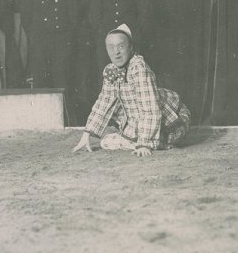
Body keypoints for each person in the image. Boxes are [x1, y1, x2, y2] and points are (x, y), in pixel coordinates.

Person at [73, 24, 190, 156]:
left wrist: (144, 143)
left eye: (121, 46)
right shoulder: (110, 69)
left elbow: (150, 108)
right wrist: (86, 135)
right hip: (138, 117)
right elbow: (103, 102)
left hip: (171, 122)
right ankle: (135, 137)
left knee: (107, 142)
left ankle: (157, 141)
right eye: (111, 47)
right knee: (107, 139)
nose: (116, 52)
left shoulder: (139, 67)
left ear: (131, 48)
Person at [20, 0, 84, 120]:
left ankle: (65, 121)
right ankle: (43, 120)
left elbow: (74, 17)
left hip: (62, 43)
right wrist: (37, 39)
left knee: (63, 81)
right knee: (42, 81)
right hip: (40, 44)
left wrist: (65, 38)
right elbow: (27, 20)